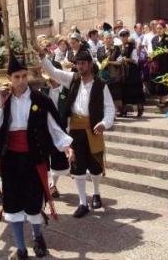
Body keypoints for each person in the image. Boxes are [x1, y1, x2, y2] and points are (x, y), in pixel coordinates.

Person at [0, 54, 74, 260]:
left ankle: (37, 237)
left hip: (33, 157)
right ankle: (20, 248)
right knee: (13, 203)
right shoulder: (2, 100)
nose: (21, 80)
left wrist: (67, 146)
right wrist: (0, 103)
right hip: (11, 160)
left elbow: (54, 127)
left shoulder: (40, 100)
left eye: (24, 76)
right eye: (16, 77)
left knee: (34, 202)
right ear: (9, 78)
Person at [40, 49, 115, 218]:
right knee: (77, 166)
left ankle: (96, 193)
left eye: (83, 63)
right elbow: (53, 72)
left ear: (90, 64)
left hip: (94, 128)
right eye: (78, 64)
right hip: (75, 129)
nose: (80, 67)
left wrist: (104, 123)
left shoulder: (101, 85)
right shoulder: (72, 79)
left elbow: (110, 108)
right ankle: (83, 202)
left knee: (95, 166)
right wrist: (42, 57)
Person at [40, 60, 71, 199]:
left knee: (58, 158)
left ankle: (53, 184)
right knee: (45, 158)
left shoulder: (67, 91)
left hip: (61, 128)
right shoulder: (43, 91)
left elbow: (70, 112)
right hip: (44, 130)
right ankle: (45, 185)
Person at [151, 20, 168, 107]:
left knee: (165, 81)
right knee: (158, 81)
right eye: (157, 28)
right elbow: (152, 50)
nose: (158, 30)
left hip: (166, 64)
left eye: (160, 28)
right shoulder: (154, 39)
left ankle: (163, 101)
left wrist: (166, 50)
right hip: (157, 64)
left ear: (164, 29)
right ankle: (160, 100)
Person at [120, 29, 144, 116]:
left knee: (136, 90)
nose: (124, 37)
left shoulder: (132, 46)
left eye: (125, 35)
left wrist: (127, 59)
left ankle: (140, 109)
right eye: (122, 36)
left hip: (132, 71)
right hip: (125, 71)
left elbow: (135, 60)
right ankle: (125, 110)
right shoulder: (120, 46)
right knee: (125, 90)